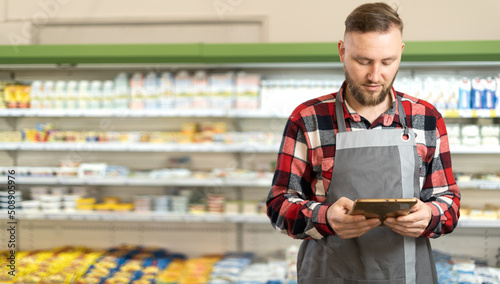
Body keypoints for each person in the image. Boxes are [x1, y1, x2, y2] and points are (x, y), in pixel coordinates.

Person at [266, 2, 460, 283]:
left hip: (405, 274)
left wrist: (430, 214)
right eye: (363, 61)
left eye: (387, 61)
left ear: (401, 53)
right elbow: (278, 205)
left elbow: (449, 203)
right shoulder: (307, 119)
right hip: (329, 273)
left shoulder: (426, 118)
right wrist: (326, 217)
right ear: (342, 52)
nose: (374, 75)